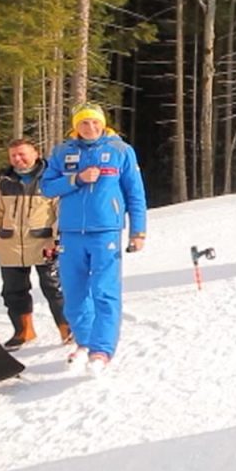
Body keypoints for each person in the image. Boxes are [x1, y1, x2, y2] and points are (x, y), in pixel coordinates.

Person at [40, 102, 147, 377]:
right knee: (74, 293)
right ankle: (84, 342)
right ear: (76, 126)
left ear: (103, 123)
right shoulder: (63, 152)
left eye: (95, 122)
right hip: (71, 233)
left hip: (106, 232)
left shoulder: (120, 150)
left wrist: (138, 232)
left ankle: (102, 350)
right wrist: (76, 179)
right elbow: (46, 187)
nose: (90, 127)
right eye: (84, 123)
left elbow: (135, 193)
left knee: (104, 291)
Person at [0, 138, 71, 350]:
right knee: (13, 292)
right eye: (13, 155)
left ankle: (67, 329)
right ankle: (23, 331)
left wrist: (56, 240)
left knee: (55, 288)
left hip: (43, 243)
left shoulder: (51, 178)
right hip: (10, 245)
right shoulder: (5, 181)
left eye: (22, 154)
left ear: (36, 153)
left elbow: (61, 212)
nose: (18, 159)